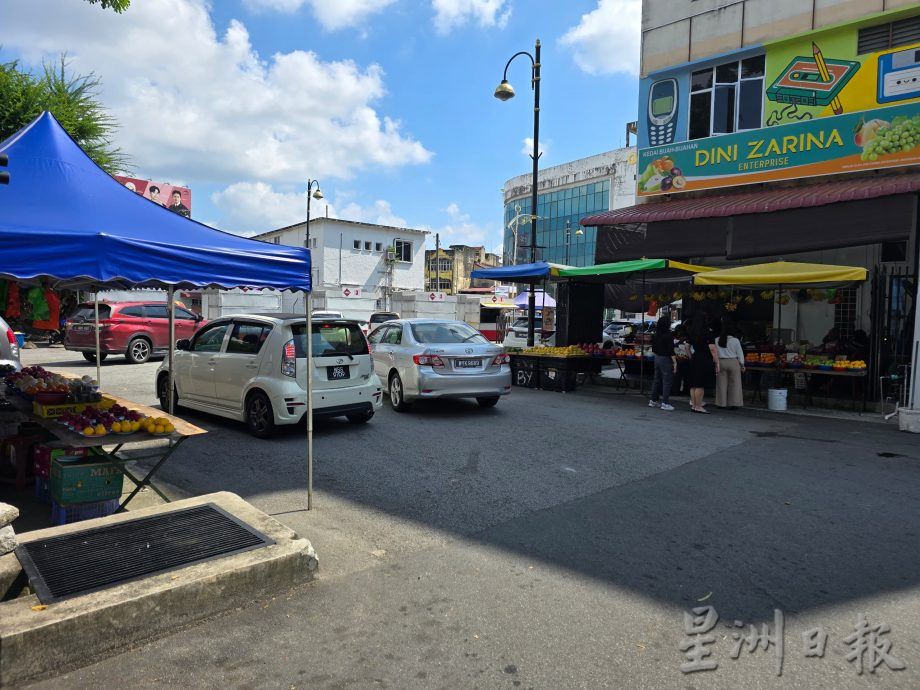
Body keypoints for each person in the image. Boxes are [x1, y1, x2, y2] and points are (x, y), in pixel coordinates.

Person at [688, 314, 719, 413]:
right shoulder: (707, 333)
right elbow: (712, 349)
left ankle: (694, 405)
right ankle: (698, 406)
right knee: (700, 384)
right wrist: (717, 362)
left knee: (694, 384)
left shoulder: (691, 333)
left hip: (695, 357)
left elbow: (686, 347)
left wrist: (691, 357)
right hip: (704, 358)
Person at [648, 316, 676, 411]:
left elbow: (653, 348)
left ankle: (653, 400)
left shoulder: (655, 334)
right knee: (667, 381)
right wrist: (675, 362)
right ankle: (665, 402)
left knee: (657, 380)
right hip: (666, 359)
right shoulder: (668, 335)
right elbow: (671, 350)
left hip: (657, 358)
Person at [715, 323, 745, 408]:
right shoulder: (735, 340)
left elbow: (715, 352)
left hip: (721, 362)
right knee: (735, 383)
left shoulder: (717, 339)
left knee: (721, 383)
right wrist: (742, 364)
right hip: (733, 362)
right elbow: (740, 353)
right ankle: (734, 404)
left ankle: (721, 403)